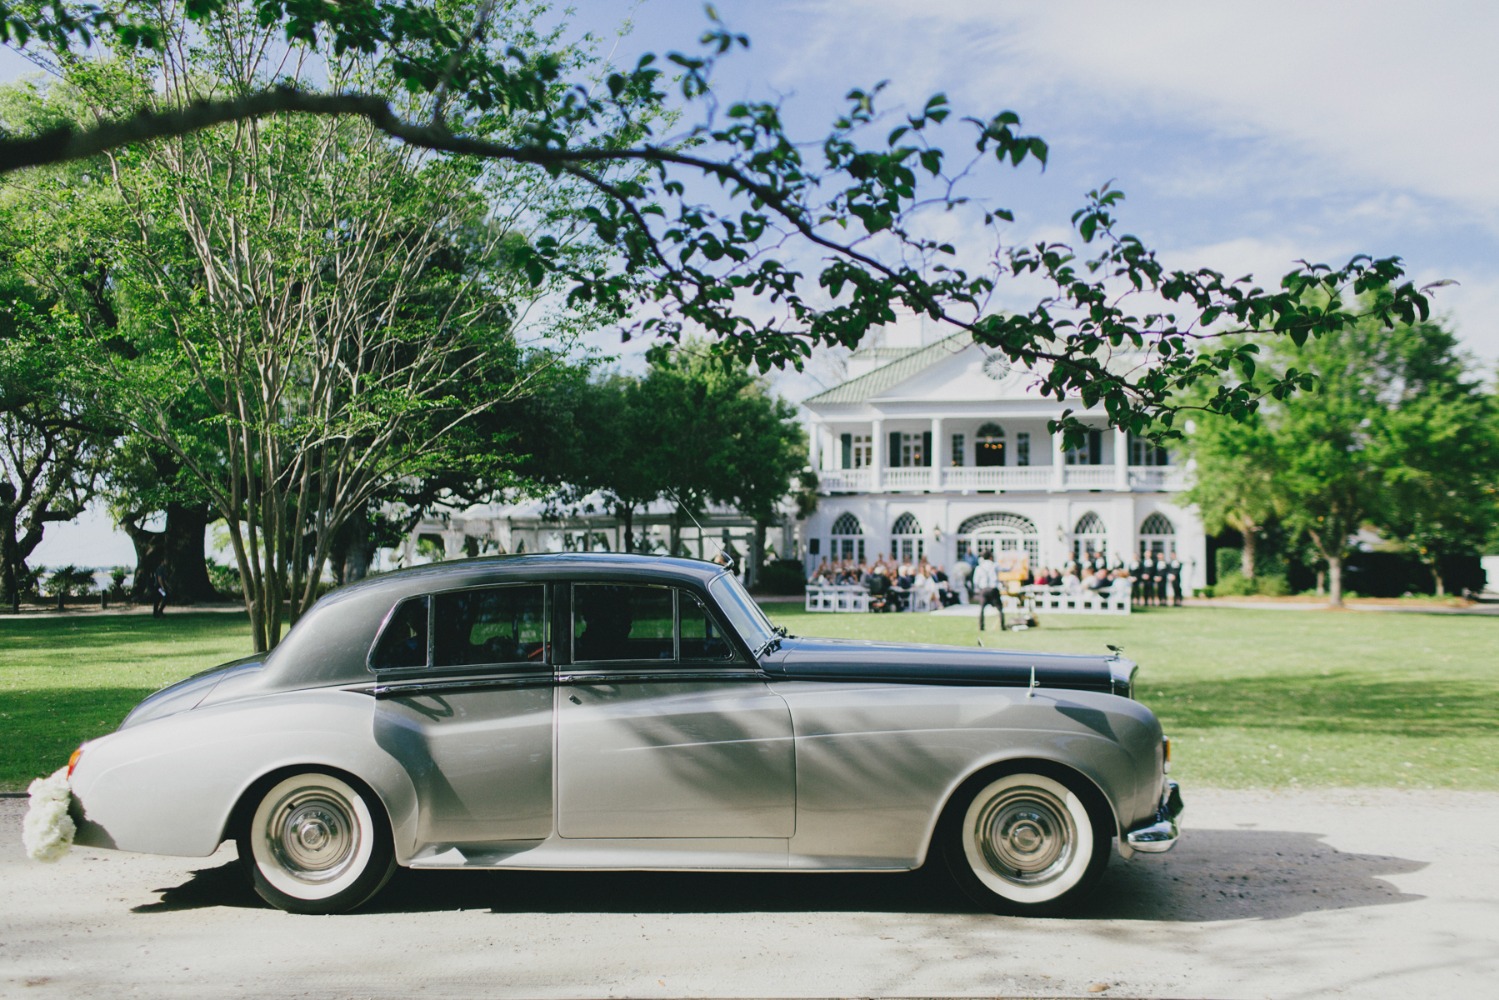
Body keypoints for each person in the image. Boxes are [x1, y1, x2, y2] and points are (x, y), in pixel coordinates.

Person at [973, 552, 1004, 631]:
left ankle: (981, 626)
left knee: (982, 609)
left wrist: (977, 590)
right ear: (990, 557)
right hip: (993, 589)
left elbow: (975, 581)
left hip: (984, 590)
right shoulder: (994, 565)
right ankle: (1002, 626)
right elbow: (1004, 569)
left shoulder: (979, 567)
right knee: (1000, 608)